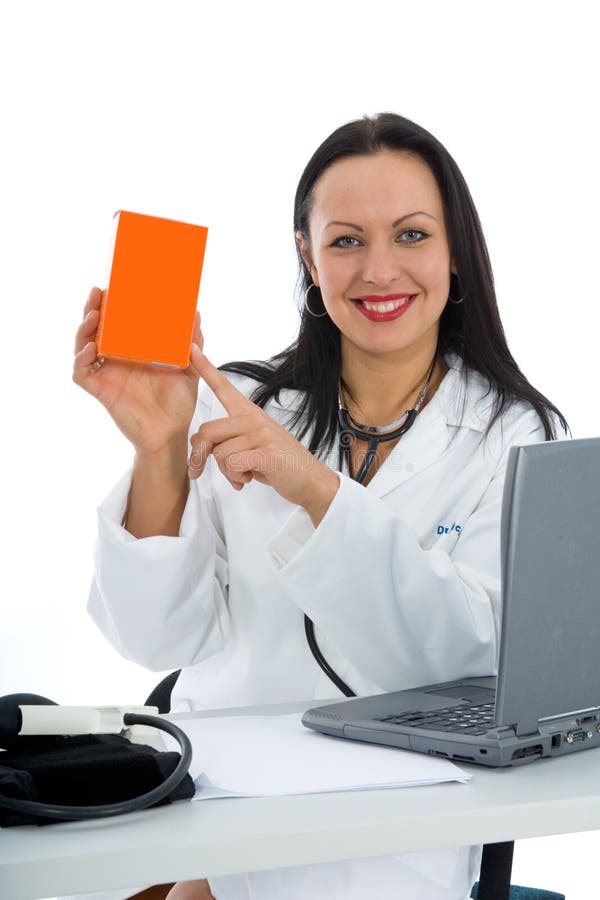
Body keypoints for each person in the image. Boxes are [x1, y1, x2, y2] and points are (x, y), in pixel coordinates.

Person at [73, 113, 566, 900]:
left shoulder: (517, 437)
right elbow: (154, 636)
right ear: (307, 256)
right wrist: (158, 446)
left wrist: (316, 488)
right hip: (212, 799)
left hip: (394, 828)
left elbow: (473, 661)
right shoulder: (239, 406)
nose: (379, 270)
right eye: (345, 241)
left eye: (410, 236)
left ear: (456, 254)